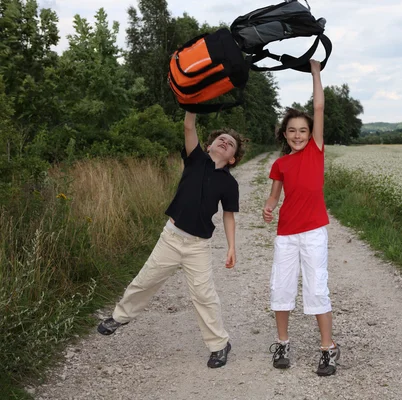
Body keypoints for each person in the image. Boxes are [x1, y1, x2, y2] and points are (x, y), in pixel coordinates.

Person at [97, 111, 244, 369]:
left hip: (198, 246)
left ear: (232, 158)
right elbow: (189, 125)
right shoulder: (195, 158)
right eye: (220, 138)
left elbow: (228, 216)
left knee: (204, 296)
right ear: (208, 145)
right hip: (171, 238)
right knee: (146, 280)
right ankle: (119, 316)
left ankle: (219, 345)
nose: (224, 142)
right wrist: (191, 101)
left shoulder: (230, 184)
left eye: (230, 143)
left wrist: (232, 247)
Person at [262, 59, 340, 376]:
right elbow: (274, 195)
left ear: (311, 133)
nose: (297, 135)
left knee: (317, 289)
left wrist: (316, 73)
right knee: (281, 288)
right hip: (286, 234)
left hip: (313, 233)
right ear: (285, 133)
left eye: (303, 130)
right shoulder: (281, 164)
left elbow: (318, 107)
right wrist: (268, 207)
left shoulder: (315, 150)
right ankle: (282, 343)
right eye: (292, 131)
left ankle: (328, 349)